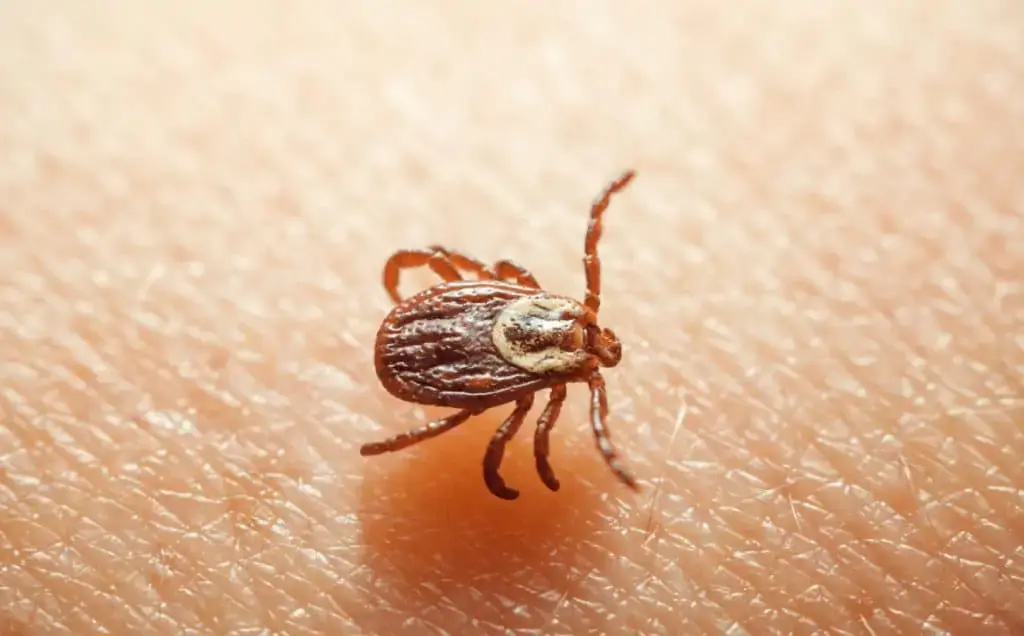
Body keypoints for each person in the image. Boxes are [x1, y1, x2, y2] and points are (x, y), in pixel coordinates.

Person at [1, 2, 1021, 634]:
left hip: (442, 348)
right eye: (583, 337)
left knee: (475, 409)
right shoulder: (538, 358)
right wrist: (492, 443)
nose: (591, 344)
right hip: (448, 352)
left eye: (582, 349)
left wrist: (447, 377)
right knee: (483, 425)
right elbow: (502, 444)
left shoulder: (527, 308)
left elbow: (467, 348)